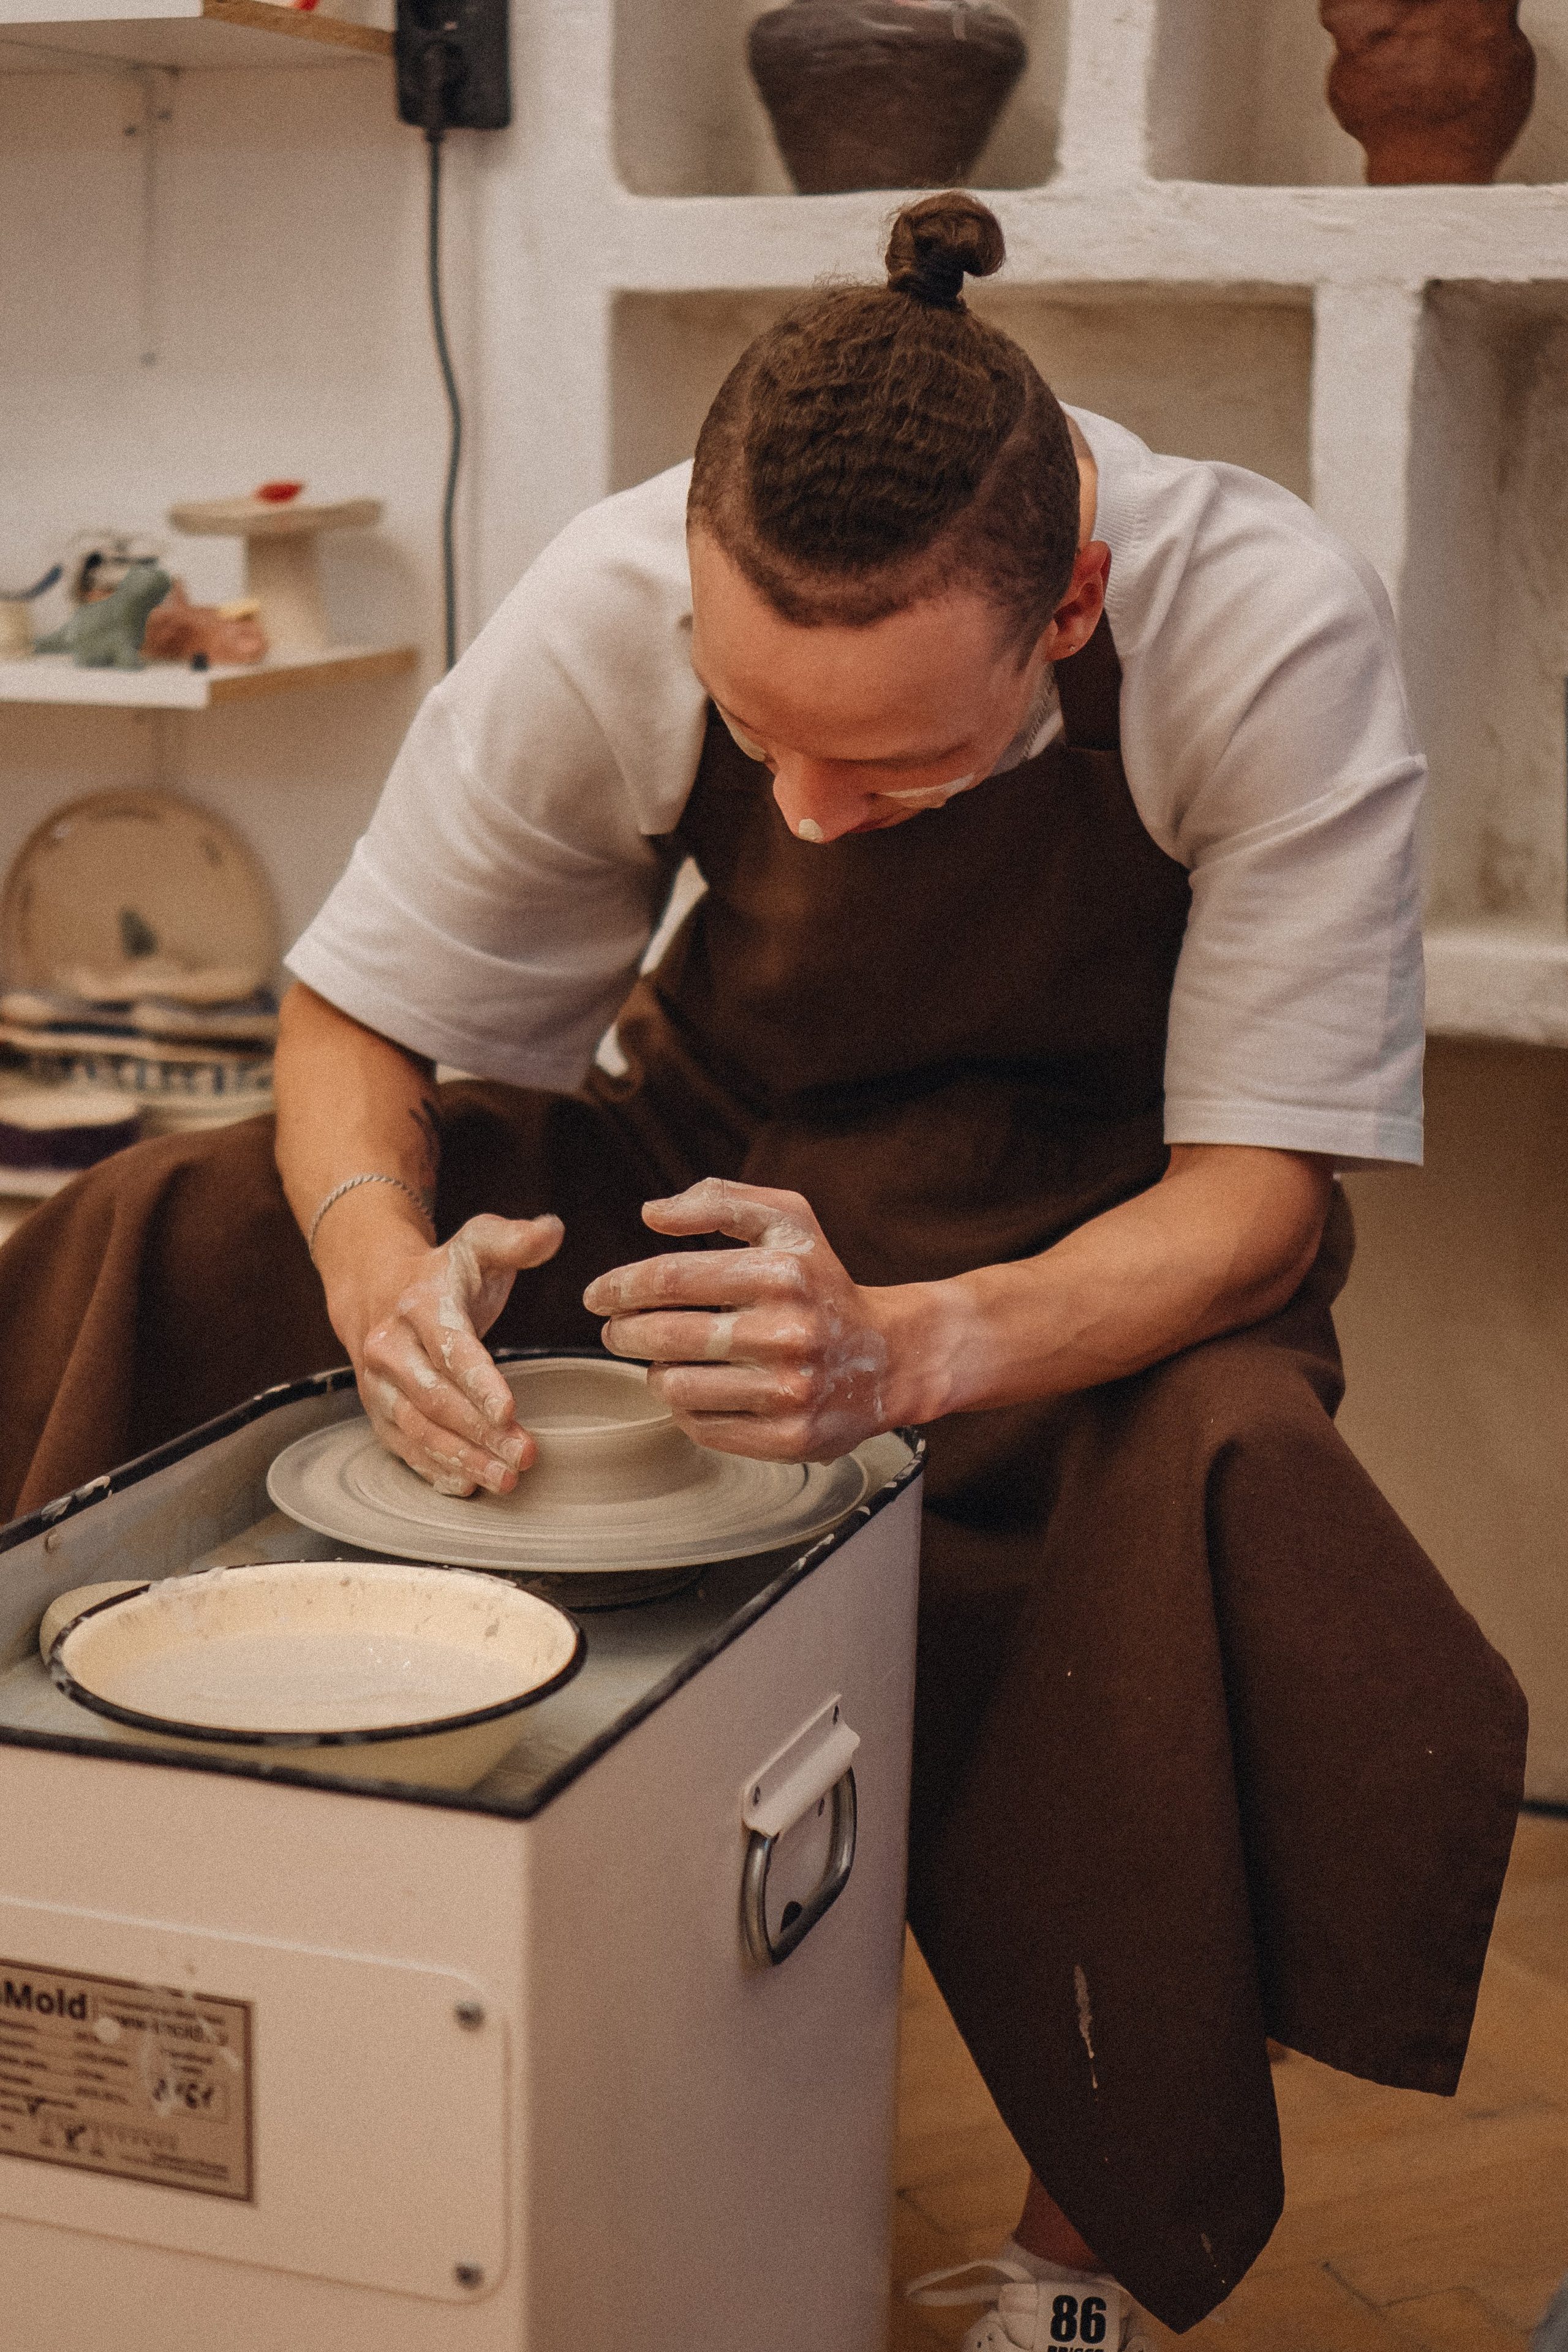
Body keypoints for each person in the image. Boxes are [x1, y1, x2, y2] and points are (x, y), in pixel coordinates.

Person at [0, 194, 1526, 2344]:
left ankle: (1079, 2247)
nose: (802, 811)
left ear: (1069, 603)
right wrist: (375, 1271)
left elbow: (1256, 1198)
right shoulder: (618, 587)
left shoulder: (1256, 621)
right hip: (717, 1160)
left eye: (892, 763)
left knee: (1234, 1468)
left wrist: (908, 1348)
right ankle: (118, 1923)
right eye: (757, 731)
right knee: (187, 1217)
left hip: (1087, 1242)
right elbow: (356, 1024)